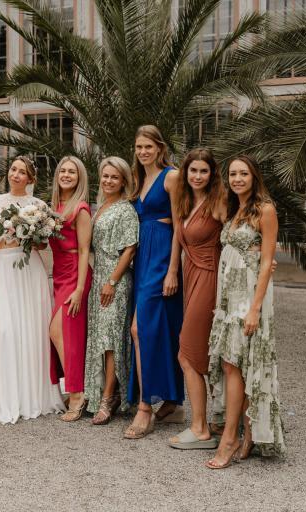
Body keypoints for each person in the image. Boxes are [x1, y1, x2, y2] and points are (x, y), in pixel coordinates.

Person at [206, 155, 286, 469]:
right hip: (228, 296)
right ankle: (247, 431)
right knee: (234, 363)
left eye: (244, 174)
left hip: (249, 297)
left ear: (254, 176)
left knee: (235, 362)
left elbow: (267, 261)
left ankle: (231, 437)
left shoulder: (265, 209)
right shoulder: (233, 208)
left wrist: (254, 308)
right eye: (233, 174)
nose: (238, 179)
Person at [0, 156, 64, 424]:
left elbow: (44, 246)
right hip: (2, 269)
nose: (16, 175)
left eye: (22, 172)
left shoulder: (39, 206)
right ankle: (6, 396)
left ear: (31, 179)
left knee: (31, 330)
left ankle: (34, 395)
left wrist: (31, 233)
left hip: (29, 268)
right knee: (5, 328)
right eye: (13, 170)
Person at [125, 125, 184, 439]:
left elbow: (179, 226)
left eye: (148, 146)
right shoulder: (139, 179)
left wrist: (173, 269)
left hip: (163, 254)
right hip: (143, 255)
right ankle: (172, 400)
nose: (143, 152)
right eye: (138, 147)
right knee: (162, 329)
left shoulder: (171, 177)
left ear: (160, 148)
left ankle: (145, 407)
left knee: (140, 329)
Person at [167, 148, 225, 450]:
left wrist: (262, 258)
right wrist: (172, 272)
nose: (198, 176)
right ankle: (209, 421)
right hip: (190, 275)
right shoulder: (185, 199)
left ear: (212, 174)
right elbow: (178, 237)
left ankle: (200, 428)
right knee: (196, 351)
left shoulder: (218, 203)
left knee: (187, 353)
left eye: (204, 171)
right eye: (193, 171)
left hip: (210, 276)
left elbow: (241, 230)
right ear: (186, 173)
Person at [84, 157, 138, 426]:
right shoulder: (101, 207)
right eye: (105, 176)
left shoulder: (125, 209)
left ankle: (109, 398)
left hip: (114, 279)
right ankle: (104, 392)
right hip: (99, 278)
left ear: (124, 181)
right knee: (101, 337)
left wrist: (112, 281)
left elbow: (130, 248)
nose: (108, 181)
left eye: (114, 177)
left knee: (111, 340)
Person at [48, 156, 93, 421]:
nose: (66, 175)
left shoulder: (81, 209)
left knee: (59, 331)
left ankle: (77, 394)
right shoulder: (54, 206)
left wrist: (78, 290)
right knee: (62, 333)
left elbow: (86, 250)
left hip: (76, 273)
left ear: (79, 178)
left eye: (72, 172)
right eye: (62, 170)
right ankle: (75, 389)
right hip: (59, 273)